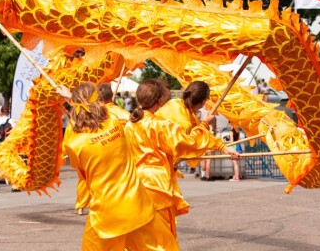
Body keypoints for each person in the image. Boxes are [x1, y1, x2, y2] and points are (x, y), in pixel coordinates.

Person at [58, 83, 179, 250]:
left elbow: (83, 174)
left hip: (107, 213)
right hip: (137, 205)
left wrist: (70, 100)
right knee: (162, 247)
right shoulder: (113, 122)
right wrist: (71, 98)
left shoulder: (74, 142)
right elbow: (106, 111)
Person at [124, 79, 239, 239]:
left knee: (144, 236)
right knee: (163, 236)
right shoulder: (161, 125)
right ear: (160, 100)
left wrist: (222, 147)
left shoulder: (130, 125)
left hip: (135, 183)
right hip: (157, 184)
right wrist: (205, 125)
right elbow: (187, 143)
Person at [156, 81, 234, 182]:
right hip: (156, 168)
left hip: (160, 166)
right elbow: (189, 143)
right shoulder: (184, 121)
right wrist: (206, 123)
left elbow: (203, 134)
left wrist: (224, 149)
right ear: (203, 102)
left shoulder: (176, 103)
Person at [0, 105, 16, 193]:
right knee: (12, 165)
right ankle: (14, 186)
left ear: (0, 112)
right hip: (8, 146)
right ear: (8, 112)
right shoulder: (12, 121)